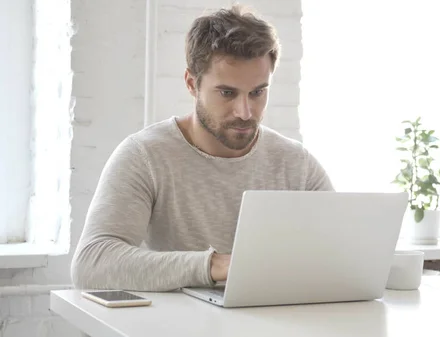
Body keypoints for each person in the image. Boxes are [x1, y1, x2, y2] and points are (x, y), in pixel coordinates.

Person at [70, 5, 333, 292]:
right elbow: (91, 265)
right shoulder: (145, 156)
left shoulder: (296, 163)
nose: (245, 112)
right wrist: (215, 266)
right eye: (227, 93)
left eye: (258, 92)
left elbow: (343, 252)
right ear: (192, 84)